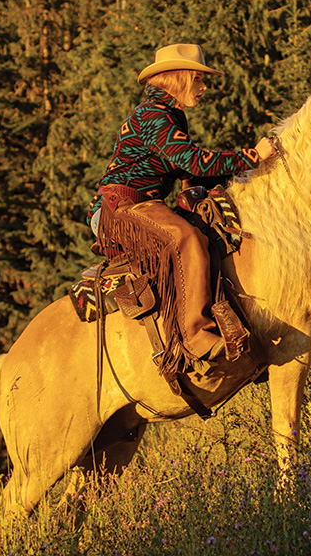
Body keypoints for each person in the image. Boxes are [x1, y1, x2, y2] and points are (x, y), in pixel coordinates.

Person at [89, 43, 276, 363]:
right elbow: (192, 162)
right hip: (120, 208)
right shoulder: (153, 117)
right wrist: (253, 156)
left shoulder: (168, 116)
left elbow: (184, 169)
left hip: (142, 205)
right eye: (198, 79)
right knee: (186, 239)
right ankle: (194, 335)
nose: (204, 88)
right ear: (177, 79)